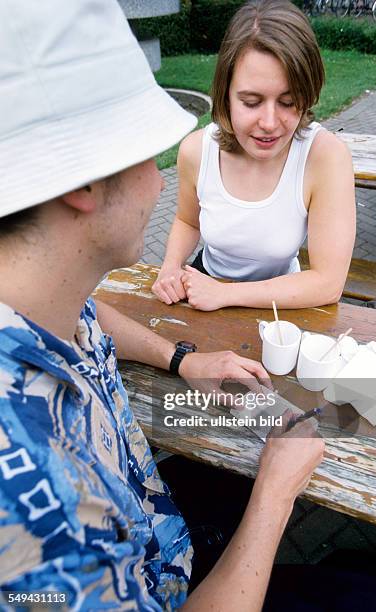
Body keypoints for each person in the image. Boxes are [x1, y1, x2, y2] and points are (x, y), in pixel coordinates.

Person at [0, 1, 324, 610]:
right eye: (150, 154)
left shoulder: (41, 298)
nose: (160, 177)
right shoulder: (35, 504)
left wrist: (182, 359)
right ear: (82, 181)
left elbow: (90, 316)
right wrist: (278, 492)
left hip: (155, 519)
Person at [152, 0, 356, 312]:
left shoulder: (325, 157)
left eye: (289, 102)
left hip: (284, 300)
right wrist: (170, 267)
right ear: (226, 95)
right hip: (203, 288)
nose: (270, 123)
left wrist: (225, 295)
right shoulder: (196, 151)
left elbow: (328, 283)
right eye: (251, 102)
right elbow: (186, 220)